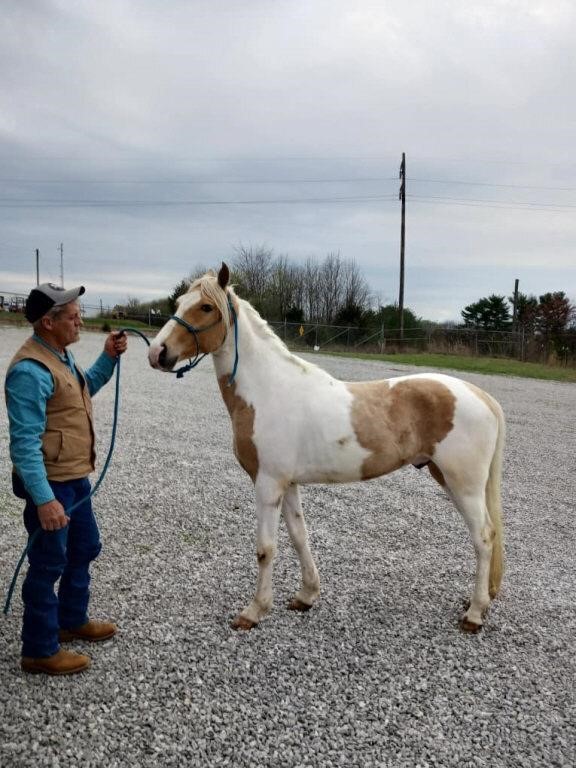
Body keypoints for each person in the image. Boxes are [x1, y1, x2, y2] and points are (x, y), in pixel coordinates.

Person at [4, 282, 128, 675]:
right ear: (48, 321)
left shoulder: (59, 356)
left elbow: (83, 387)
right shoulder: (29, 370)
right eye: (73, 316)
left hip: (75, 479)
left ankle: (71, 620)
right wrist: (44, 500)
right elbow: (24, 447)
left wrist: (108, 357)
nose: (80, 321)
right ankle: (39, 649)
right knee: (48, 562)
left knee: (84, 547)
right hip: (52, 484)